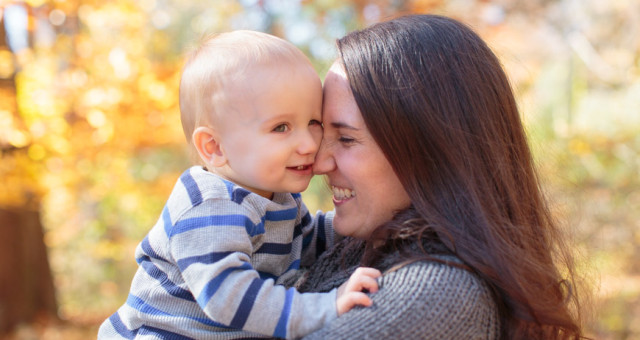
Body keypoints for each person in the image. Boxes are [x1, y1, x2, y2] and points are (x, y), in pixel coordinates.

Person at [295, 14, 585, 339]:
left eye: (346, 139)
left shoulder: (434, 293)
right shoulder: (352, 248)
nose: (319, 163)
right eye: (322, 133)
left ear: (430, 149)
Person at [97, 30, 381, 340]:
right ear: (215, 147)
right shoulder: (208, 204)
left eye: (313, 122)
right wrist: (323, 307)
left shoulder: (278, 198)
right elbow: (228, 295)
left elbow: (313, 241)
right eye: (281, 127)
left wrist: (380, 219)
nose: (309, 144)